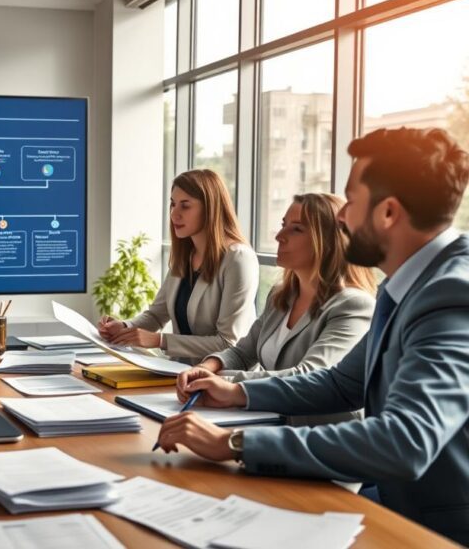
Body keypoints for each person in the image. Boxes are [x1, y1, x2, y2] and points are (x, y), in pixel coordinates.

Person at [157, 127, 469, 544]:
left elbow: (405, 440)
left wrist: (235, 442)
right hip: (395, 506)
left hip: (437, 529)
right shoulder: (406, 285)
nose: (341, 217)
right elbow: (343, 384)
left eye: (352, 201)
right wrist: (237, 394)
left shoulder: (451, 294)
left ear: (389, 213)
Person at [185, 193, 376, 425]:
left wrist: (226, 384)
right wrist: (205, 368)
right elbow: (242, 352)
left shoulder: (353, 305)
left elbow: (308, 375)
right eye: (283, 225)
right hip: (268, 421)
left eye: (296, 229)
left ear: (327, 241)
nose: (279, 236)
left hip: (321, 438)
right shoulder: (280, 295)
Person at [98, 169, 259, 360]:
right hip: (179, 372)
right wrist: (125, 327)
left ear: (210, 208)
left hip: (222, 379)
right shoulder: (186, 255)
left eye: (185, 206)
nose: (174, 214)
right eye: (173, 205)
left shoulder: (238, 259)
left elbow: (228, 343)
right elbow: (156, 316)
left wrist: (160, 340)